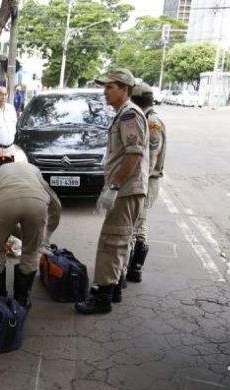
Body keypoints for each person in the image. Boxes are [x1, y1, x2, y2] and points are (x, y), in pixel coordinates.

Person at [75, 69, 149, 315]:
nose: (105, 91)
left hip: (126, 190)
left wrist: (115, 186)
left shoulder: (129, 115)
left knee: (111, 242)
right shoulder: (123, 114)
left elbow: (134, 154)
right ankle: (114, 288)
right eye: (104, 87)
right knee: (119, 241)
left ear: (124, 89)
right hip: (127, 189)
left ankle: (103, 297)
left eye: (110, 87)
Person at [0, 156, 62, 309]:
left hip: (5, 204)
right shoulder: (32, 168)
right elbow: (56, 205)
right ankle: (21, 300)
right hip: (37, 203)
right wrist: (46, 236)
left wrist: (7, 231)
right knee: (30, 252)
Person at [127, 82, 167, 283]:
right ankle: (132, 269)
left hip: (146, 181)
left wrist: (136, 183)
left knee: (138, 226)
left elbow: (150, 159)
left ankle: (134, 269)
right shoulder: (146, 119)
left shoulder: (152, 123)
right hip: (144, 179)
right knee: (137, 224)